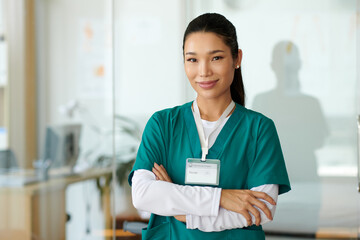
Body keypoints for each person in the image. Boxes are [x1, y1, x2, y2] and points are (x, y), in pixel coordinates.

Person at [128, 13, 291, 240]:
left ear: (237, 58)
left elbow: (261, 210)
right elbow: (143, 194)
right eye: (192, 59)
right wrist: (222, 198)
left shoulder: (259, 129)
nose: (203, 71)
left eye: (216, 58)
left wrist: (183, 212)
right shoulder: (163, 124)